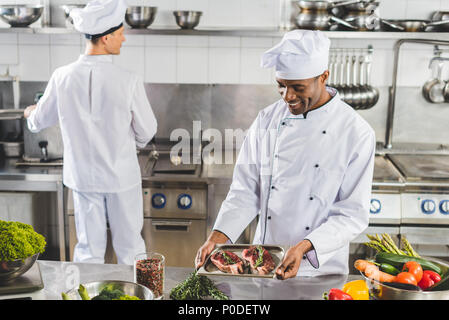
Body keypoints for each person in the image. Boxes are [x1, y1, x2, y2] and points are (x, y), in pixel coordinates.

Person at [195, 29, 376, 279]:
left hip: (319, 269)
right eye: (281, 86)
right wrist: (218, 237)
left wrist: (304, 246)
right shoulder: (267, 120)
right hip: (264, 262)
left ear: (323, 77)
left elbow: (351, 214)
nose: (288, 96)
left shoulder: (356, 132)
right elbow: (246, 190)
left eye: (298, 87)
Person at [23, 0, 157, 265]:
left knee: (87, 252)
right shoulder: (127, 79)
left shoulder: (62, 77)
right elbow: (147, 130)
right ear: (106, 38)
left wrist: (30, 112)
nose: (124, 39)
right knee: (131, 251)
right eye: (120, 34)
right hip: (121, 178)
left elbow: (38, 121)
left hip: (83, 179)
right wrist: (134, 137)